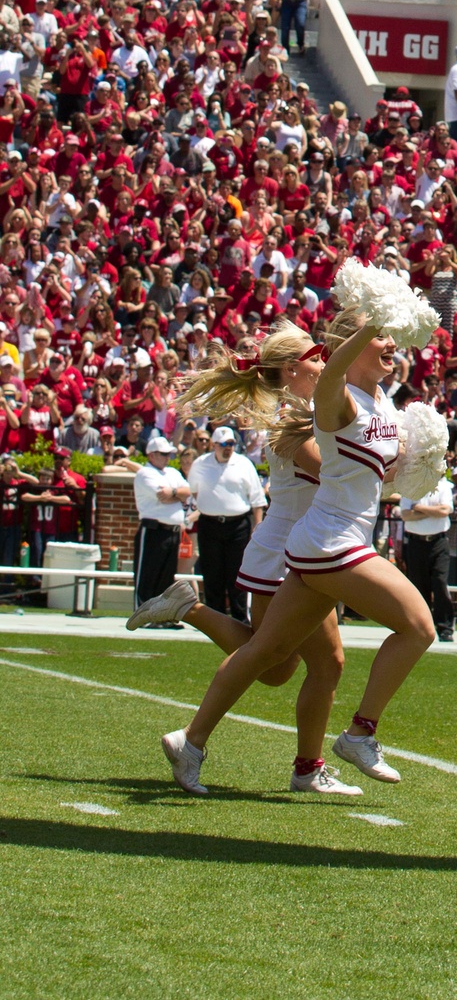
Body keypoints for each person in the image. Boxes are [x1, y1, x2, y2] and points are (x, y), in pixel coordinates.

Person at [161, 308, 435, 795]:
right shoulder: (314, 406)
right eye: (380, 336)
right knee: (415, 628)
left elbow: (369, 476)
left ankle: (196, 742)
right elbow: (328, 461)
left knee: (276, 656)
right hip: (320, 541)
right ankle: (358, 735)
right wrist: (373, 319)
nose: (391, 344)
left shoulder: (378, 401)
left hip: (321, 539)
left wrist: (420, 465)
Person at [131, 323, 355, 794]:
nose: (325, 363)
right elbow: (335, 471)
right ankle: (195, 742)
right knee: (282, 659)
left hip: (299, 548)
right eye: (317, 357)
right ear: (294, 368)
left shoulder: (305, 408)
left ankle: (188, 610)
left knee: (283, 665)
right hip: (290, 553)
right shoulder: (289, 418)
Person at [186, 424, 265, 620]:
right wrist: (210, 504)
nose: (227, 448)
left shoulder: (244, 464)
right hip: (209, 524)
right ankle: (215, 618)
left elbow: (256, 499)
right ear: (213, 445)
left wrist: (257, 525)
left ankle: (240, 619)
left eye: (231, 443)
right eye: (223, 444)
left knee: (236, 574)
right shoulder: (200, 464)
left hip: (237, 525)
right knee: (212, 573)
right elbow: (194, 490)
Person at [399, 468, 457, 644]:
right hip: (415, 543)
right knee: (418, 586)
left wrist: (419, 508)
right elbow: (405, 515)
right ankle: (422, 627)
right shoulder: (410, 487)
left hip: (438, 542)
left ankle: (445, 628)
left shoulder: (444, 486)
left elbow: (445, 510)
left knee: (440, 583)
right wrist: (431, 510)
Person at [133, 431, 189, 609]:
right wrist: (177, 494)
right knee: (147, 576)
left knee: (166, 579)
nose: (168, 457)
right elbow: (161, 495)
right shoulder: (145, 473)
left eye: (169, 454)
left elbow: (187, 492)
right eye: (164, 454)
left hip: (172, 532)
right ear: (151, 455)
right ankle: (142, 614)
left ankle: (160, 615)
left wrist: (173, 493)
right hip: (153, 530)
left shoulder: (172, 472)